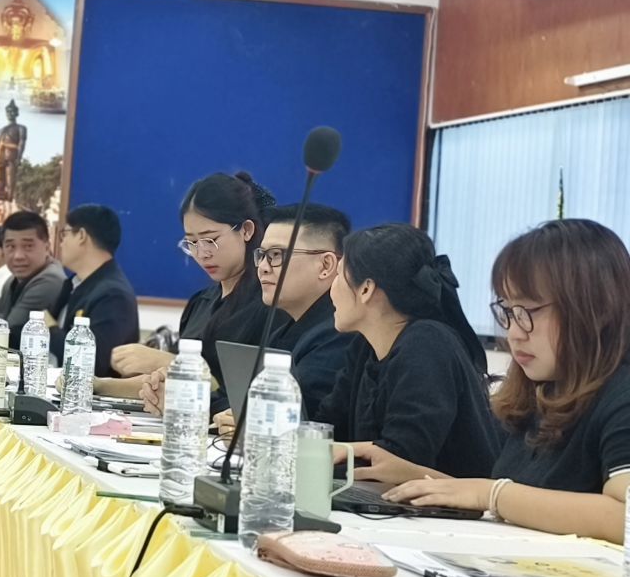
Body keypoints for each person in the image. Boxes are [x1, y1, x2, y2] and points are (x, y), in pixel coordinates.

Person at [375, 219, 630, 542]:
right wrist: (416, 476)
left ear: (597, 308)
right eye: (508, 311)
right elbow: (521, 496)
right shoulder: (541, 391)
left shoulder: (621, 395)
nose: (514, 333)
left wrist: (493, 494)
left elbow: (624, 517)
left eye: (529, 312)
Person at [312, 223, 499, 478]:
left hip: (442, 503)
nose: (331, 290)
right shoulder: (364, 345)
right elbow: (327, 426)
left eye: (338, 276)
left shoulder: (427, 345)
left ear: (366, 289)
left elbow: (401, 460)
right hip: (384, 499)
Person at [156, 203, 358, 423]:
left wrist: (188, 404)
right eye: (261, 255)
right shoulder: (283, 330)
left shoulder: (338, 332)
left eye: (276, 255)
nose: (262, 267)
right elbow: (235, 398)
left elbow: (293, 413)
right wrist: (174, 395)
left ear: (326, 265)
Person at [109, 171, 273, 397]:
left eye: (211, 240)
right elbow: (169, 382)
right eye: (192, 242)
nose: (202, 253)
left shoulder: (268, 303)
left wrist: (168, 361)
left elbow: (240, 395)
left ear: (246, 230)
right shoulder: (200, 303)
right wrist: (97, 384)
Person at [51, 204, 138, 372]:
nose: (61, 243)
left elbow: (94, 361)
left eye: (65, 234)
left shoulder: (113, 295)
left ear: (81, 236)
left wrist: (49, 329)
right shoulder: (73, 284)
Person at [0, 210, 66, 346]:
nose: (18, 256)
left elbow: (5, 336)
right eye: (10, 246)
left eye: (28, 246)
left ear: (47, 247)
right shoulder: (12, 281)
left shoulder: (50, 281)